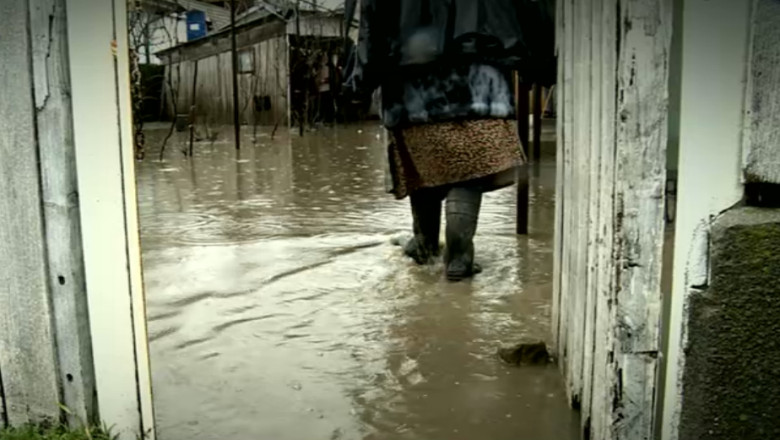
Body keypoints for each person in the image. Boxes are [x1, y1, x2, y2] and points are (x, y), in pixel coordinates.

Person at [346, 0, 554, 281]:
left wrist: (360, 83)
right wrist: (540, 67)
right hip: (481, 85)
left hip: (412, 90)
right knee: (469, 171)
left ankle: (425, 244)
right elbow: (533, 9)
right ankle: (459, 256)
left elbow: (372, 26)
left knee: (424, 169)